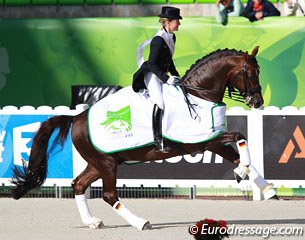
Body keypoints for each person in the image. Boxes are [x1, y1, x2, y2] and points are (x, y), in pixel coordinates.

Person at [132, 6, 182, 153]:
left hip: (162, 74)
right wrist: (167, 79)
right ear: (168, 22)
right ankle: (158, 141)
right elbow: (152, 64)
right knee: (159, 102)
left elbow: (169, 60)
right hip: (152, 75)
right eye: (177, 21)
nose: (179, 24)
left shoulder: (172, 36)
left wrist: (176, 75)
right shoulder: (158, 39)